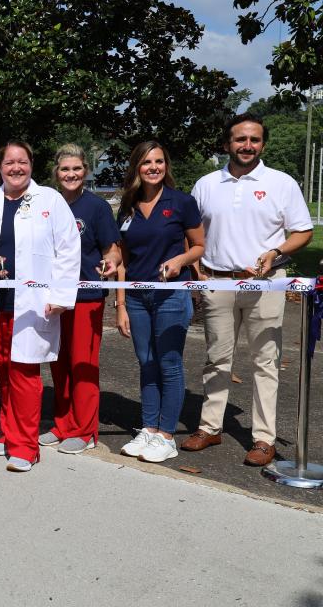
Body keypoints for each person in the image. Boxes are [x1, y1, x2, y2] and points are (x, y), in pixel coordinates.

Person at [182, 113, 313, 466]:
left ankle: (263, 438)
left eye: (254, 140)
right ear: (227, 144)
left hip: (264, 283)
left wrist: (276, 252)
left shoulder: (281, 182)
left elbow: (302, 231)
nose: (247, 146)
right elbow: (192, 232)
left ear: (263, 144)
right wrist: (197, 268)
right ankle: (210, 427)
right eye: (240, 139)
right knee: (216, 358)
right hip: (218, 282)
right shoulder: (206, 184)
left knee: (264, 362)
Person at [0, 140, 81, 472]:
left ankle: (25, 446)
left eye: (22, 161)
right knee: (3, 369)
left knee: (24, 373)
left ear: (31, 164)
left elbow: (68, 248)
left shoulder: (50, 199)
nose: (16, 168)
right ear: (0, 167)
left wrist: (61, 297)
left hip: (34, 305)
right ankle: (8, 431)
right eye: (9, 162)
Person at [115, 141, 205, 463]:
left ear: (165, 165)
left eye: (159, 161)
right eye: (146, 162)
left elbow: (199, 246)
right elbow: (123, 260)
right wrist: (121, 304)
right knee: (146, 362)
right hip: (137, 298)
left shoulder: (181, 202)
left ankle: (167, 436)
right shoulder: (127, 206)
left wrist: (181, 259)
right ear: (137, 167)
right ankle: (149, 429)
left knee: (168, 363)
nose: (153, 167)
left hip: (171, 294)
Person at [37, 144, 121, 454]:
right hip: (53, 296)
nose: (71, 174)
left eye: (76, 169)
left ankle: (85, 431)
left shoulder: (96, 207)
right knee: (58, 363)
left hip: (86, 296)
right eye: (64, 169)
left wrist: (111, 260)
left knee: (82, 363)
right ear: (56, 173)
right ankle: (62, 425)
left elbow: (112, 248)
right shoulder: (47, 204)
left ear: (85, 171)